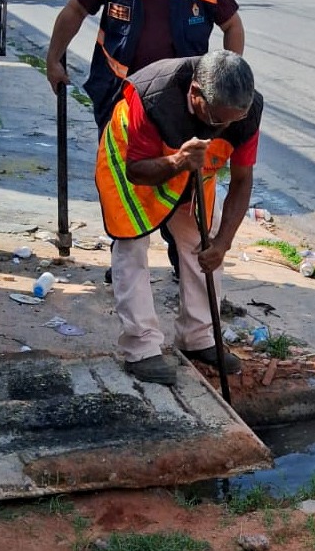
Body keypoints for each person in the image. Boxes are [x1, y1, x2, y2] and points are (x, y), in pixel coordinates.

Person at [45, 0, 246, 281]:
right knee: (122, 178)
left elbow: (233, 26)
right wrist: (54, 59)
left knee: (180, 177)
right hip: (119, 96)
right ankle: (124, 251)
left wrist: (225, 77)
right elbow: (74, 12)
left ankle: (179, 254)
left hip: (179, 103)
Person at [96, 49, 262, 386]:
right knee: (132, 245)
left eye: (233, 121)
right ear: (195, 93)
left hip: (193, 170)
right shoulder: (152, 95)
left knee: (203, 242)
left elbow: (242, 181)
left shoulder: (246, 110)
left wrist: (224, 243)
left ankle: (199, 337)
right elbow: (136, 170)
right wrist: (176, 163)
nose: (226, 128)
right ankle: (141, 347)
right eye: (218, 120)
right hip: (135, 165)